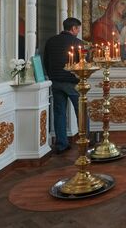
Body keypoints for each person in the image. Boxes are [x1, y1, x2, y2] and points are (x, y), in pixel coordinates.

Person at [43, 18, 85, 154]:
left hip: (55, 82)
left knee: (59, 113)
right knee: (81, 111)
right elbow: (83, 64)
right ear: (73, 28)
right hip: (72, 82)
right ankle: (85, 142)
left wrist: (53, 76)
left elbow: (46, 61)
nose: (78, 31)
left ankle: (61, 144)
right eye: (78, 29)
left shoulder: (51, 41)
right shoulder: (77, 43)